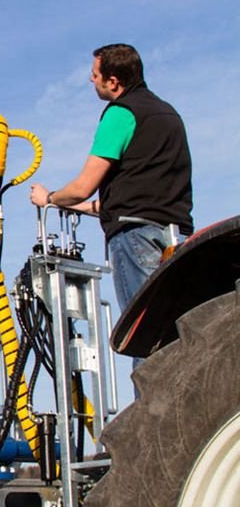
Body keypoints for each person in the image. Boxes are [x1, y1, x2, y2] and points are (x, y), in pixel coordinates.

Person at [30, 43, 193, 320]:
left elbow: (83, 187)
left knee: (145, 332)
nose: (91, 79)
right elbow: (131, 194)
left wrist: (49, 198)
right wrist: (77, 208)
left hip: (135, 237)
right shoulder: (168, 114)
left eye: (95, 74)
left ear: (113, 81)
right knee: (177, 331)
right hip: (178, 237)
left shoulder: (121, 113)